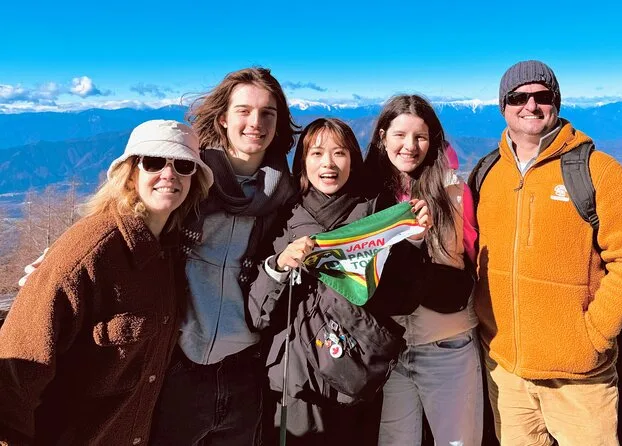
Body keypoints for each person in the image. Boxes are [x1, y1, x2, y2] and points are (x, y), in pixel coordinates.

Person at [472, 60, 622, 445]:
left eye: (542, 96)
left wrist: (592, 335)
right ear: (503, 107)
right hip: (506, 372)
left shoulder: (598, 171)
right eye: (518, 97)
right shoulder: (487, 173)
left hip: (579, 379)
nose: (530, 105)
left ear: (556, 102)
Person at [0, 119, 213, 445]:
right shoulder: (91, 249)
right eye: (154, 162)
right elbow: (18, 367)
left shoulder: (170, 251)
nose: (169, 174)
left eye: (183, 166)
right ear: (131, 174)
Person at [247, 118, 431, 445]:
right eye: (317, 153)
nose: (328, 164)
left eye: (339, 153)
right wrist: (278, 266)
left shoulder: (376, 215)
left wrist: (413, 242)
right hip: (296, 379)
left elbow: (403, 299)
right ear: (303, 162)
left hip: (355, 377)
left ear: (353, 160)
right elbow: (256, 312)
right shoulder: (282, 216)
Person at [148, 67, 298, 445]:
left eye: (267, 113)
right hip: (176, 365)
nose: (256, 122)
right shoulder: (188, 177)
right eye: (243, 111)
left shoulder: (285, 196)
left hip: (245, 369)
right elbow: (129, 215)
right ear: (223, 119)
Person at [364, 94, 482, 445]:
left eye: (420, 137)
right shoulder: (366, 195)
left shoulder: (454, 192)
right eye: (400, 135)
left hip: (448, 344)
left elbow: (472, 258)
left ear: (433, 141)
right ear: (382, 137)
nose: (410, 146)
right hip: (390, 349)